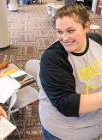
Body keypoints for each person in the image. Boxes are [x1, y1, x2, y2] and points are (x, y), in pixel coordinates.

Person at [38, 3, 102, 140]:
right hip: (63, 132)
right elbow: (66, 104)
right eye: (59, 32)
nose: (64, 38)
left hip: (94, 126)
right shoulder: (53, 58)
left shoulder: (97, 41)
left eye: (70, 31)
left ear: (86, 27)